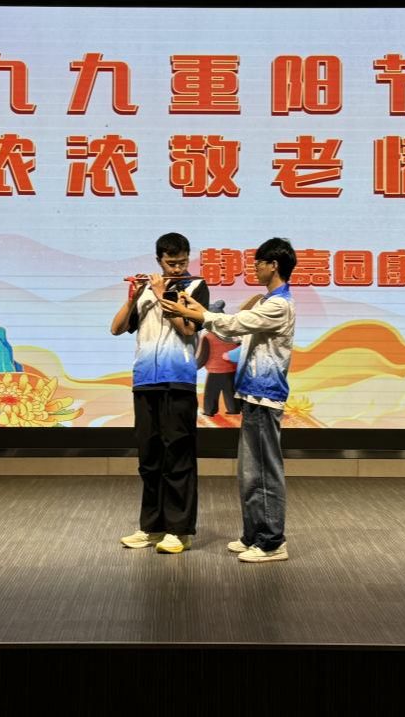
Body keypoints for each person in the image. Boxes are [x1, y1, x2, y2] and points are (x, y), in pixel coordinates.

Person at [164, 237, 296, 564]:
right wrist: (198, 312)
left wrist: (192, 313)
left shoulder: (279, 305)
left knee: (264, 472)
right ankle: (254, 534)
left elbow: (235, 323)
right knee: (250, 472)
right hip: (251, 394)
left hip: (265, 396)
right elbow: (231, 332)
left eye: (259, 263)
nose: (255, 268)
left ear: (273, 265)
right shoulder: (266, 303)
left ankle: (272, 542)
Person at [110, 232, 209, 555]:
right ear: (159, 260)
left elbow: (188, 330)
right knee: (149, 458)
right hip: (145, 381)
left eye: (182, 262)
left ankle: (179, 531)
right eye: (170, 263)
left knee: (178, 456)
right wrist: (133, 297)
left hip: (178, 380)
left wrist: (162, 294)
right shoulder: (145, 291)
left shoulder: (196, 287)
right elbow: (117, 328)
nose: (177, 268)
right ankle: (152, 527)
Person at [197, 300, 241, 418]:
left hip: (215, 370)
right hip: (231, 369)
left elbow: (203, 356)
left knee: (211, 392)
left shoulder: (208, 337)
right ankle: (234, 409)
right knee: (230, 391)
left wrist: (194, 366)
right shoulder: (234, 335)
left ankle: (209, 410)